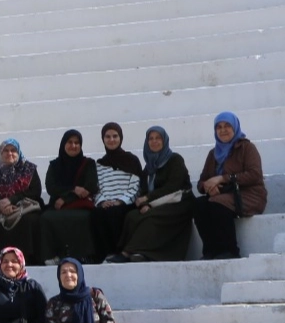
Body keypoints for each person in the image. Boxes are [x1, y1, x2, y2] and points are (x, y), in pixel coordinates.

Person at [112, 126, 193, 262]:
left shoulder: (175, 160)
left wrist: (148, 199)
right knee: (131, 216)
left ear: (164, 140)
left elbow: (173, 186)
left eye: (158, 138)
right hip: (156, 203)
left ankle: (130, 253)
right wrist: (144, 203)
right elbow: (143, 191)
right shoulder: (149, 167)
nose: (154, 141)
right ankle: (133, 252)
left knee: (150, 218)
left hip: (179, 202)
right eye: (151, 138)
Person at [195, 111, 268, 261]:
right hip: (223, 195)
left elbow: (254, 175)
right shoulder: (213, 154)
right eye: (219, 127)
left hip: (249, 195)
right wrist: (209, 187)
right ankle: (210, 251)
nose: (223, 130)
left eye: (227, 126)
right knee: (199, 204)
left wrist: (222, 178)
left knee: (218, 203)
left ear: (235, 127)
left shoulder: (247, 148)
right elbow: (202, 182)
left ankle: (230, 250)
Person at [40, 130, 101, 264]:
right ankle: (53, 255)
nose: (73, 146)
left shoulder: (88, 163)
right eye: (70, 142)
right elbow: (51, 187)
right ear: (63, 144)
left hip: (79, 204)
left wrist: (66, 198)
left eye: (77, 143)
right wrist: (73, 189)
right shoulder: (54, 165)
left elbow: (90, 186)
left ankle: (84, 255)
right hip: (57, 204)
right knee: (46, 218)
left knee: (83, 218)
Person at [0, 138, 44, 265]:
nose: (9, 153)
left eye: (13, 150)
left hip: (24, 207)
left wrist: (12, 201)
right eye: (5, 150)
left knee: (29, 220)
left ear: (18, 152)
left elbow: (35, 191)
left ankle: (28, 259)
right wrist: (0, 206)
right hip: (2, 210)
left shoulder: (29, 169)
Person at [92, 122, 143, 260]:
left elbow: (136, 186)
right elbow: (96, 188)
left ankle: (119, 252)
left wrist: (120, 201)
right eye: (107, 137)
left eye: (115, 136)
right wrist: (102, 201)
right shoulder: (100, 164)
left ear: (121, 138)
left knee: (115, 213)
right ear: (103, 139)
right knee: (97, 213)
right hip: (106, 202)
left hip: (125, 203)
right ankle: (105, 253)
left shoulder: (131, 160)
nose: (111, 140)